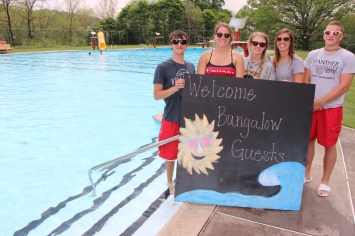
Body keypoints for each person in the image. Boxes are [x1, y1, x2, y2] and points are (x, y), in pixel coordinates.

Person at [304, 21, 355, 197]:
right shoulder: (313, 54)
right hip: (311, 107)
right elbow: (306, 79)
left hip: (331, 108)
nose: (331, 36)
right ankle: (306, 174)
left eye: (335, 33)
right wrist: (309, 101)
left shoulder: (347, 57)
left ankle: (325, 181)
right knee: (308, 141)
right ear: (323, 34)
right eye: (328, 32)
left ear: (341, 36)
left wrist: (322, 101)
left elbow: (344, 86)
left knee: (329, 144)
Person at [153, 30, 196, 197]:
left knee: (188, 154)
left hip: (189, 119)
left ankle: (185, 182)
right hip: (171, 117)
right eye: (176, 41)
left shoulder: (191, 66)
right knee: (170, 155)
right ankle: (170, 183)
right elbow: (156, 95)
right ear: (171, 44)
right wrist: (175, 87)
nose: (179, 44)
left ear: (187, 45)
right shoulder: (163, 67)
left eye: (183, 42)